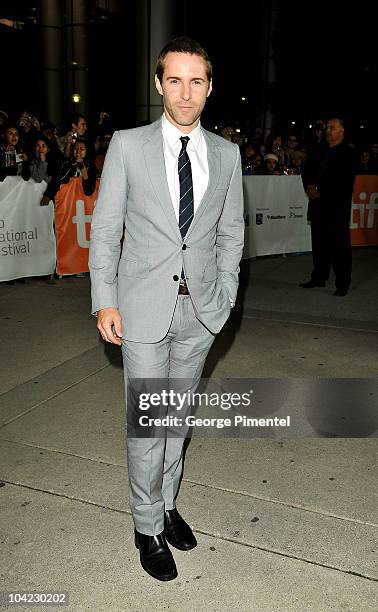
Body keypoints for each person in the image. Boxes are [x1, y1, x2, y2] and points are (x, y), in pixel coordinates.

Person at [89, 36, 244, 582]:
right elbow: (106, 231)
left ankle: (168, 504)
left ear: (209, 87)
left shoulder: (227, 154)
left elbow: (232, 233)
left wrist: (223, 300)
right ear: (158, 84)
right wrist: (105, 299)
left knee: (177, 420)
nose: (185, 92)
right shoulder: (128, 145)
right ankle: (146, 525)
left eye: (196, 81)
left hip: (200, 313)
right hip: (142, 311)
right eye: (174, 80)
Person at [300, 118, 356, 296]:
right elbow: (306, 169)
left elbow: (344, 182)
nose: (328, 130)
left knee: (340, 246)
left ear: (342, 131)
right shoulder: (319, 150)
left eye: (333, 127)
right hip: (317, 206)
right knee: (319, 243)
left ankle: (343, 283)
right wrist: (309, 186)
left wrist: (321, 190)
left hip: (336, 207)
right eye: (328, 128)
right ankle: (319, 277)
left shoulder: (348, 153)